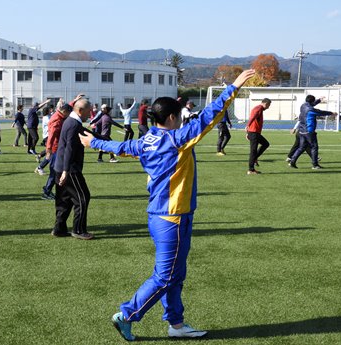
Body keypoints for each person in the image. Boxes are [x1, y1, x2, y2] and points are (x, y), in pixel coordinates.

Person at [79, 69, 255, 341]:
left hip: (167, 216)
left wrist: (94, 142)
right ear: (172, 117)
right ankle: (126, 315)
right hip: (171, 218)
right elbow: (210, 116)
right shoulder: (177, 139)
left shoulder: (146, 140)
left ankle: (176, 324)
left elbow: (121, 147)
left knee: (176, 275)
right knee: (165, 276)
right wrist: (233, 87)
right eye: (180, 117)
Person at [53, 98, 94, 240]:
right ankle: (78, 230)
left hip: (60, 167)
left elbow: (84, 132)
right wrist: (66, 171)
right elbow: (69, 148)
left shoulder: (71, 121)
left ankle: (59, 229)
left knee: (64, 199)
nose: (90, 114)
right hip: (69, 169)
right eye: (89, 111)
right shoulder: (73, 124)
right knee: (82, 197)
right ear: (80, 110)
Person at [288, 95, 337, 169]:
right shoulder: (311, 110)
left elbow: (311, 104)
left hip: (301, 130)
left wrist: (319, 100)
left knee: (301, 147)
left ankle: (292, 162)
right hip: (309, 131)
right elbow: (321, 112)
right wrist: (331, 113)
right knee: (314, 147)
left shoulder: (303, 106)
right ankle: (315, 165)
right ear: (312, 101)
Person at [40, 102, 73, 201]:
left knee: (56, 171)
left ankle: (48, 189)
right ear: (65, 112)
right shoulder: (57, 120)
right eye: (69, 113)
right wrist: (49, 149)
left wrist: (74, 100)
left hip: (57, 148)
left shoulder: (58, 114)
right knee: (54, 171)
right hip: (55, 149)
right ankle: (47, 191)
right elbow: (51, 135)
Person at [246, 98, 271, 175]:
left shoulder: (258, 108)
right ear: (265, 104)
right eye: (268, 105)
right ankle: (251, 170)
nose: (268, 107)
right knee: (253, 151)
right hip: (254, 133)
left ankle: (255, 158)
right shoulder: (259, 108)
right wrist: (247, 125)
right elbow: (253, 116)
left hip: (254, 133)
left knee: (266, 144)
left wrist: (247, 132)